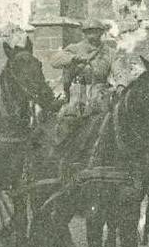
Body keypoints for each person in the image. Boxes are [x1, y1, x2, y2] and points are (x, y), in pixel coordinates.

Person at [50, 20, 118, 150]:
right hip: (77, 93)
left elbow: (119, 70)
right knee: (67, 122)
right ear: (84, 33)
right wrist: (73, 59)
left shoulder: (110, 53)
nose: (92, 34)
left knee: (108, 123)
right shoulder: (74, 48)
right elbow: (54, 61)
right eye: (89, 31)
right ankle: (61, 154)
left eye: (96, 31)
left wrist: (121, 85)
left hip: (99, 93)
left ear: (101, 33)